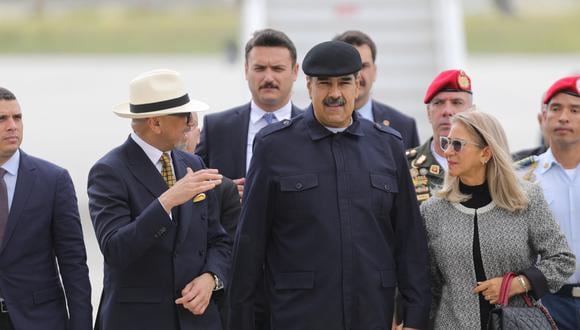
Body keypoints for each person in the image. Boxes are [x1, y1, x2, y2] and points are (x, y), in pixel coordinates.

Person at [228, 40, 431, 330]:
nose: (334, 94)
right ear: (309, 86)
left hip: (371, 313)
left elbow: (409, 242)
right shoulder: (274, 147)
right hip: (300, 316)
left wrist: (414, 319)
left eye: (344, 83)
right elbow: (249, 249)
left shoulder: (388, 146)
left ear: (357, 86)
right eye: (324, 84)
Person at [88, 69, 231, 330]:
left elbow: (219, 239)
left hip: (196, 320)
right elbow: (115, 249)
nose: (191, 123)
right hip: (139, 321)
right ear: (155, 123)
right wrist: (166, 202)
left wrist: (211, 278)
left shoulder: (192, 162)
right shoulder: (109, 171)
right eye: (184, 115)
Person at [421, 110, 575, 329]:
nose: (447, 152)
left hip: (516, 324)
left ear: (486, 153)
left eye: (457, 145)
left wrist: (518, 283)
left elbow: (562, 259)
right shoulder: (432, 211)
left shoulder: (527, 199)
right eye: (446, 143)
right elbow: (429, 285)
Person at [0, 87, 92, 330]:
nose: (12, 126)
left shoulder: (53, 180)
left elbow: (74, 264)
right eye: (2, 119)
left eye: (17, 117)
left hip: (38, 320)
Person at [196, 28, 303, 200]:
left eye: (277, 69)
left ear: (295, 71)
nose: (269, 77)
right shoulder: (216, 128)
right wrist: (223, 192)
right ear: (246, 70)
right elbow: (192, 185)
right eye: (259, 68)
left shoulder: (313, 128)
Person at [518, 75, 580, 330]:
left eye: (575, 110)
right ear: (542, 118)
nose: (563, 117)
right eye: (555, 108)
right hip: (546, 301)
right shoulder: (521, 177)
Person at [178, 111, 241, 327]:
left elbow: (228, 245)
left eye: (190, 125)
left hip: (206, 312)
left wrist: (211, 278)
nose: (183, 133)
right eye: (178, 124)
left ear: (199, 133)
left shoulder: (222, 187)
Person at [333, 30, 420, 149]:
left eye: (364, 66)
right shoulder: (310, 124)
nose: (358, 76)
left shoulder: (403, 127)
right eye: (351, 66)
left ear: (374, 71)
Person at [407, 69, 475, 203]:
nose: (447, 111)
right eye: (438, 103)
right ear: (428, 112)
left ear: (472, 111)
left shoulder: (485, 163)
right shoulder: (405, 165)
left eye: (457, 103)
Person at [512, 95, 549, 161]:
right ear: (540, 120)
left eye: (573, 110)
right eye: (555, 109)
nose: (563, 117)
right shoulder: (511, 165)